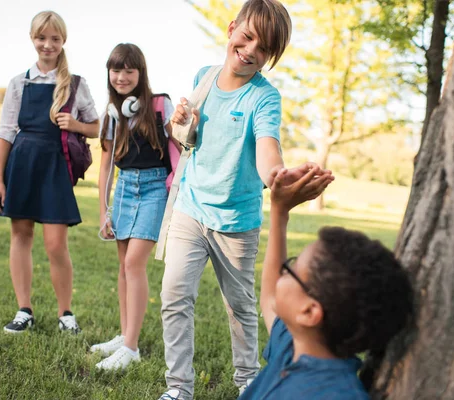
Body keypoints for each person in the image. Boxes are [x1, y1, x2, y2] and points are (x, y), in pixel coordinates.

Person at [157, 1, 326, 399]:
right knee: (174, 296)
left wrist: (278, 177)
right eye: (247, 37)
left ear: (270, 57)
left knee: (240, 306)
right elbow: (190, 139)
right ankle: (179, 389)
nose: (250, 50)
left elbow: (268, 147)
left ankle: (247, 381)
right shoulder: (204, 76)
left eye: (263, 48)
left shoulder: (263, 98)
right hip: (191, 209)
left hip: (236, 221)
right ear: (232, 29)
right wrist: (187, 124)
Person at [238, 166, 414, 399]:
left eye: (291, 269)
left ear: (310, 311)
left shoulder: (336, 394)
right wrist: (280, 211)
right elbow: (271, 298)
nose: (283, 271)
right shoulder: (296, 347)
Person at [0, 10, 99, 334]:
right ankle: (24, 310)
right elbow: (7, 132)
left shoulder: (75, 84)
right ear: (32, 39)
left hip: (55, 167)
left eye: (54, 38)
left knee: (55, 244)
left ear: (63, 40)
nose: (47, 44)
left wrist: (77, 124)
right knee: (20, 236)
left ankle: (65, 313)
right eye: (41, 38)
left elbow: (96, 127)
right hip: (22, 164)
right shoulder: (19, 82)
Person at [90, 43, 179, 371]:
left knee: (134, 264)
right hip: (125, 189)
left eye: (129, 70)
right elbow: (105, 167)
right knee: (123, 266)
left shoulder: (159, 105)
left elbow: (181, 139)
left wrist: (185, 123)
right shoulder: (113, 114)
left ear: (141, 73)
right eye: (116, 70)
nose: (122, 76)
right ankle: (125, 334)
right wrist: (103, 211)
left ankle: (131, 347)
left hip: (155, 188)